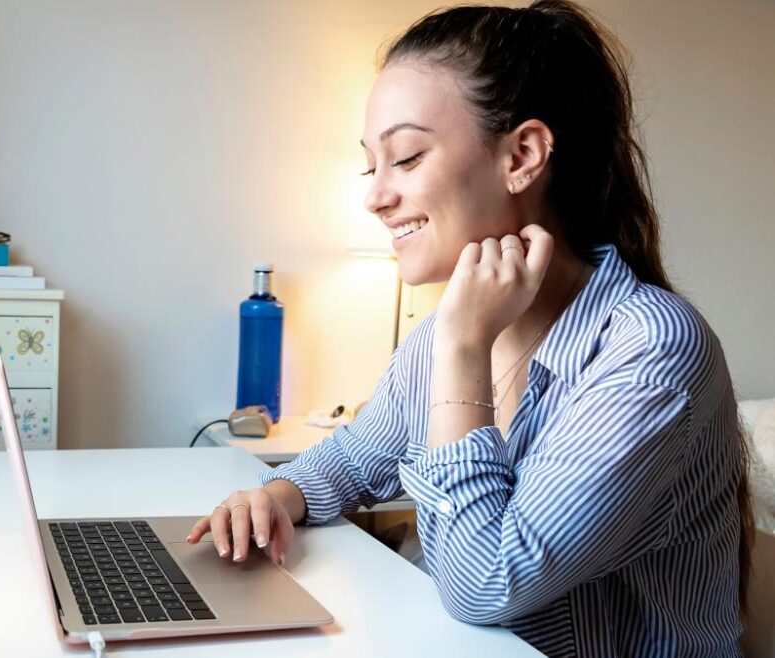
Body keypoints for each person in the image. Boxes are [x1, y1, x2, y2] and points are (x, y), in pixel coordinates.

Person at [186, 1, 754, 655]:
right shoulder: (446, 334)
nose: (375, 195)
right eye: (372, 165)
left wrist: (463, 346)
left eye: (405, 158)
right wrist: (276, 496)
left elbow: (484, 584)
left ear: (522, 156)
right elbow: (356, 457)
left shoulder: (650, 348)